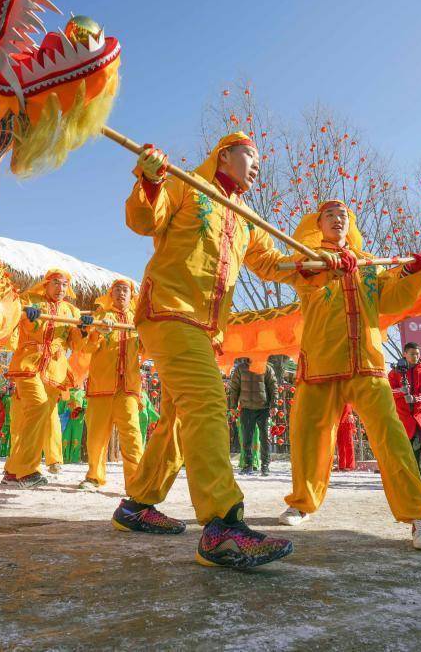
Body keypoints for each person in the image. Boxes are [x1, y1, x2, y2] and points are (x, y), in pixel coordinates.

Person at [111, 132, 295, 569]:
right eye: (251, 157)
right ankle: (223, 527)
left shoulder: (246, 216)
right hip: (170, 312)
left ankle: (136, 506)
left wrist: (316, 264)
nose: (256, 167)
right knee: (209, 405)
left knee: (179, 419)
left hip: (206, 330)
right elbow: (142, 220)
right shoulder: (185, 184)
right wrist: (151, 179)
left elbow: (270, 264)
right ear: (225, 154)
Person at [270, 200, 421, 551]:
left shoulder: (367, 266)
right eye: (330, 215)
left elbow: (389, 302)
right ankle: (302, 502)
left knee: (392, 439)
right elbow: (299, 277)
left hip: (367, 362)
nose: (338, 219)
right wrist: (323, 265)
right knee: (308, 437)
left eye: (343, 215)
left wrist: (411, 273)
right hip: (321, 360)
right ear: (318, 223)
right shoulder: (308, 257)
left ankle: (419, 516)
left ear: (351, 225)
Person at [3, 269, 90, 489]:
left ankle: (12, 470)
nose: (60, 288)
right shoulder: (28, 300)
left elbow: (76, 345)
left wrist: (83, 329)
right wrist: (25, 314)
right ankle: (28, 471)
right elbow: (11, 321)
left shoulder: (71, 311)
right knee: (39, 408)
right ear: (46, 284)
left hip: (55, 372)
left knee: (37, 419)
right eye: (56, 283)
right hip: (28, 365)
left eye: (64, 285)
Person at [79, 279, 144, 492]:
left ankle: (136, 483)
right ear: (111, 293)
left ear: (132, 295)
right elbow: (86, 347)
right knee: (96, 436)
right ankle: (94, 477)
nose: (121, 293)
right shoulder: (99, 317)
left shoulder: (140, 320)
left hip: (128, 387)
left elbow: (148, 349)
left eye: (125, 290)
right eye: (117, 290)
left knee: (132, 435)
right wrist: (95, 331)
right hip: (101, 386)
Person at [389, 342, 421, 480]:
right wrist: (401, 391)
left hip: (420, 413)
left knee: (418, 441)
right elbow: (387, 390)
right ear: (405, 354)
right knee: (404, 443)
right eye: (412, 354)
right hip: (402, 414)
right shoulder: (395, 372)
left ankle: (418, 470)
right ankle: (404, 472)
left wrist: (415, 398)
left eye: (417, 354)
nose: (415, 356)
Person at [228, 357, 277, 476]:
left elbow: (273, 387)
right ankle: (248, 465)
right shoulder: (240, 369)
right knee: (246, 439)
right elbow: (234, 388)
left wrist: (274, 405)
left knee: (265, 439)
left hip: (263, 409)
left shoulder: (266, 368)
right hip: (246, 409)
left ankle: (265, 465)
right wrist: (233, 406)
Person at [335, 404, 356, 471]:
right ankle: (342, 465)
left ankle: (349, 465)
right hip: (339, 421)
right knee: (340, 444)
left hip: (346, 422)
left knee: (348, 443)